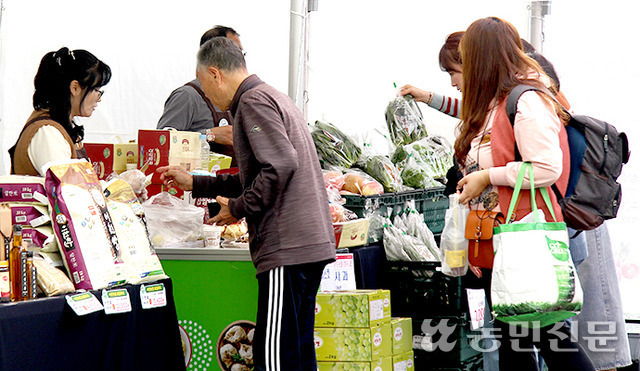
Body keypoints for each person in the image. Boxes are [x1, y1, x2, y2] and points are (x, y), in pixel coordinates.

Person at [156, 37, 336, 371]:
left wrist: (237, 208)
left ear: (214, 75)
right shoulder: (270, 96)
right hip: (307, 244)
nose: (211, 100)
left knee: (274, 354)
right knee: (295, 349)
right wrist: (196, 183)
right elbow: (257, 173)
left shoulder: (253, 101)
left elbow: (280, 166)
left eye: (207, 91)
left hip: (289, 246)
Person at [454, 17, 594, 370]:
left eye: (466, 57)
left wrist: (487, 175)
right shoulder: (497, 103)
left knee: (550, 338)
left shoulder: (525, 100)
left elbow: (547, 167)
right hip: (499, 239)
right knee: (516, 340)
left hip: (524, 236)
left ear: (482, 58)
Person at [9, 47, 112, 176]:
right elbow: (70, 191)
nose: (99, 98)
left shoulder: (60, 126)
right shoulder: (47, 133)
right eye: (97, 89)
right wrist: (119, 186)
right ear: (75, 88)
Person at [157, 25, 243, 164]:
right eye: (236, 52)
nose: (240, 60)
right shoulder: (187, 96)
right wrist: (208, 135)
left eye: (241, 53)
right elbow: (161, 141)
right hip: (196, 181)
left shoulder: (238, 95)